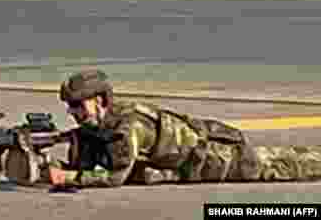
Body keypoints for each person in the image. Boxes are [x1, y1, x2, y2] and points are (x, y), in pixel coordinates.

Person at [37, 69, 321, 187]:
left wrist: (67, 177)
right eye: (70, 107)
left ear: (100, 101)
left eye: (78, 106)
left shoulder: (127, 128)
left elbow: (114, 177)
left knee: (283, 163)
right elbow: (94, 141)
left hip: (210, 160)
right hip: (191, 152)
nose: (73, 113)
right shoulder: (105, 120)